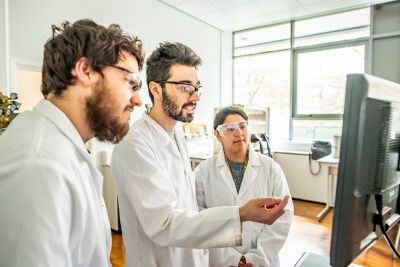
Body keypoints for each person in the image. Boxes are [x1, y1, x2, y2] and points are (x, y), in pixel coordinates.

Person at [111, 42, 289, 267]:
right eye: (185, 86)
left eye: (197, 88)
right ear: (156, 89)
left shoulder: (176, 137)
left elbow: (190, 210)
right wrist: (241, 214)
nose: (195, 97)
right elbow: (164, 224)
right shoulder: (134, 145)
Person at [0, 19, 144, 267]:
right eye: (130, 82)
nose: (138, 100)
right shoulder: (40, 166)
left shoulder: (65, 145)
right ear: (85, 71)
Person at [195, 106, 293, 267]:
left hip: (263, 259)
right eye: (230, 129)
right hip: (220, 260)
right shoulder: (203, 172)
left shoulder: (270, 167)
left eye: (242, 126)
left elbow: (284, 214)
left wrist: (257, 258)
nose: (239, 133)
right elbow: (198, 220)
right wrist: (232, 260)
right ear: (217, 134)